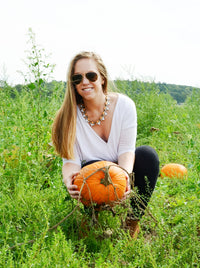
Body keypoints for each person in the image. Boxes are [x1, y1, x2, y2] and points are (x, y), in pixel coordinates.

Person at [52, 51, 160, 238]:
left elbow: (127, 151)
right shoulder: (68, 117)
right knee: (82, 172)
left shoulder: (125, 106)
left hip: (119, 170)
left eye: (91, 75)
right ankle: (89, 220)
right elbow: (70, 160)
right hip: (91, 175)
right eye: (77, 78)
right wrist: (68, 179)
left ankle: (132, 222)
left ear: (102, 78)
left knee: (147, 156)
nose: (85, 82)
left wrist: (124, 178)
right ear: (73, 84)